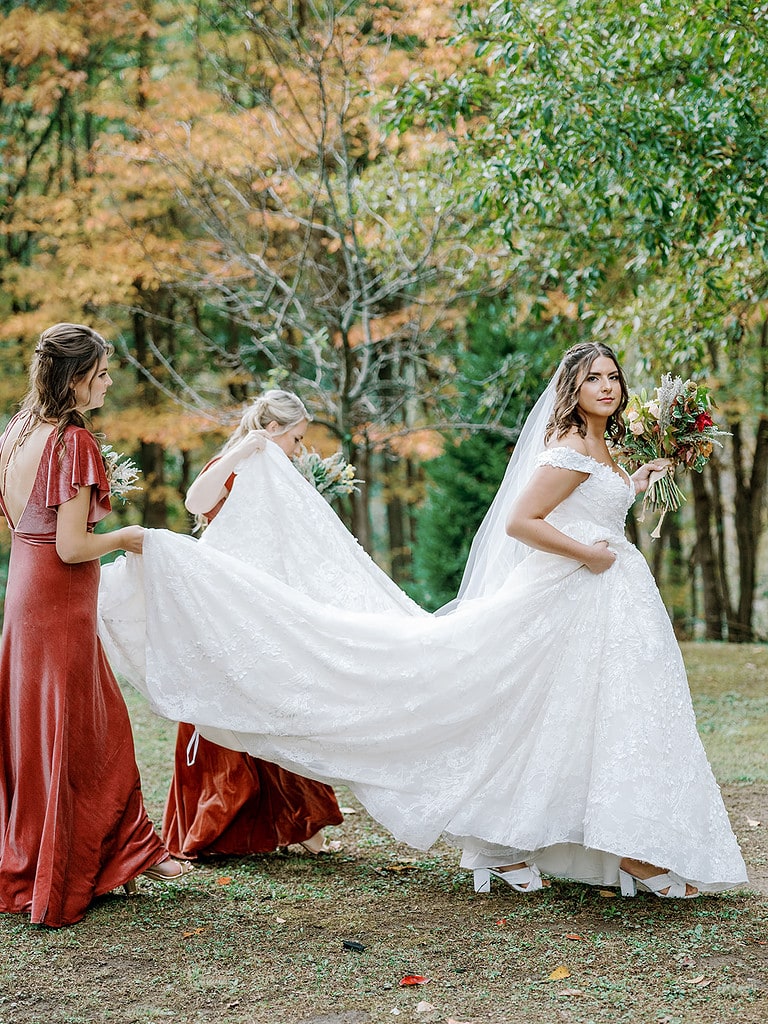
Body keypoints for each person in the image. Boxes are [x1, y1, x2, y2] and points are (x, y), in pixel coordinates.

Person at [98, 345, 748, 900]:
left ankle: (569, 844)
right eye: (594, 378)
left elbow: (595, 506)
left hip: (609, 602)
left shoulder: (602, 446)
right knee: (526, 712)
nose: (607, 387)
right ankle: (556, 848)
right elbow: (526, 522)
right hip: (574, 591)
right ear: (573, 390)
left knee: (589, 718)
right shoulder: (569, 446)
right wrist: (588, 556)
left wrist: (636, 482)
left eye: (613, 377)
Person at [0, 322, 189, 929]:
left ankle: (113, 848)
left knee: (51, 726)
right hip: (57, 597)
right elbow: (74, 547)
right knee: (84, 726)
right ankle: (111, 853)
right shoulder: (72, 443)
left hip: (24, 594)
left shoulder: (16, 432)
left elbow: (20, 527)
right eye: (102, 373)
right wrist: (132, 537)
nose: (109, 382)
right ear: (77, 378)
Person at [162, 391, 344, 861]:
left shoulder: (282, 474)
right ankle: (224, 821)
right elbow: (196, 500)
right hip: (225, 605)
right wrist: (243, 451)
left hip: (267, 604)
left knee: (278, 699)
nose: (300, 451)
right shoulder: (234, 462)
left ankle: (296, 819)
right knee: (227, 700)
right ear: (273, 429)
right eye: (296, 439)